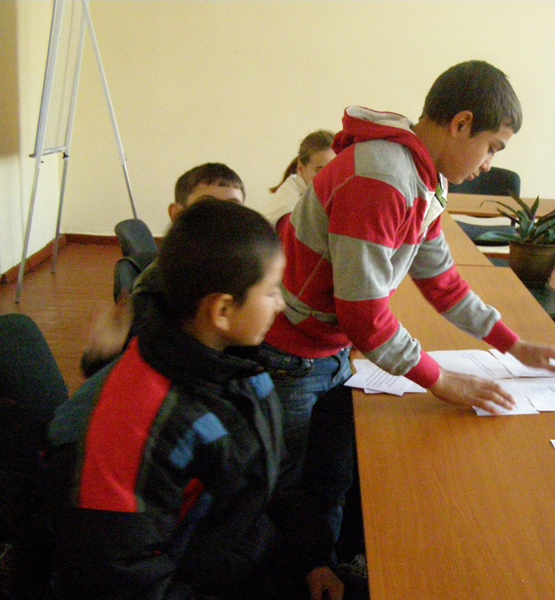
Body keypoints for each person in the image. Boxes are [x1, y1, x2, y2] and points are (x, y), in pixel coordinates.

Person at [256, 60, 555, 544]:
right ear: (461, 124)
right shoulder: (382, 177)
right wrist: (442, 380)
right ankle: (295, 570)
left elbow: (440, 279)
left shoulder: (426, 177)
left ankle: (322, 561)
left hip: (327, 349)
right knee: (285, 490)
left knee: (329, 476)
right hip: (292, 356)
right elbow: (365, 317)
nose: (489, 164)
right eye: (493, 147)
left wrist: (513, 345)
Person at [46, 200, 344, 600]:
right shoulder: (145, 421)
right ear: (222, 310)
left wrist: (312, 558)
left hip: (242, 558)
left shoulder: (237, 362)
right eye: (272, 290)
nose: (280, 303)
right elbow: (124, 577)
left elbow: (267, 476)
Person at [81, 163, 246, 377]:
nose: (223, 218)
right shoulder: (160, 290)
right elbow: (122, 371)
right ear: (177, 214)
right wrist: (102, 355)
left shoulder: (236, 268)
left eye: (234, 207)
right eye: (206, 206)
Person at [263, 130, 336, 232]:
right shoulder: (288, 212)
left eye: (334, 169)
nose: (328, 177)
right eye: (320, 171)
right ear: (301, 169)